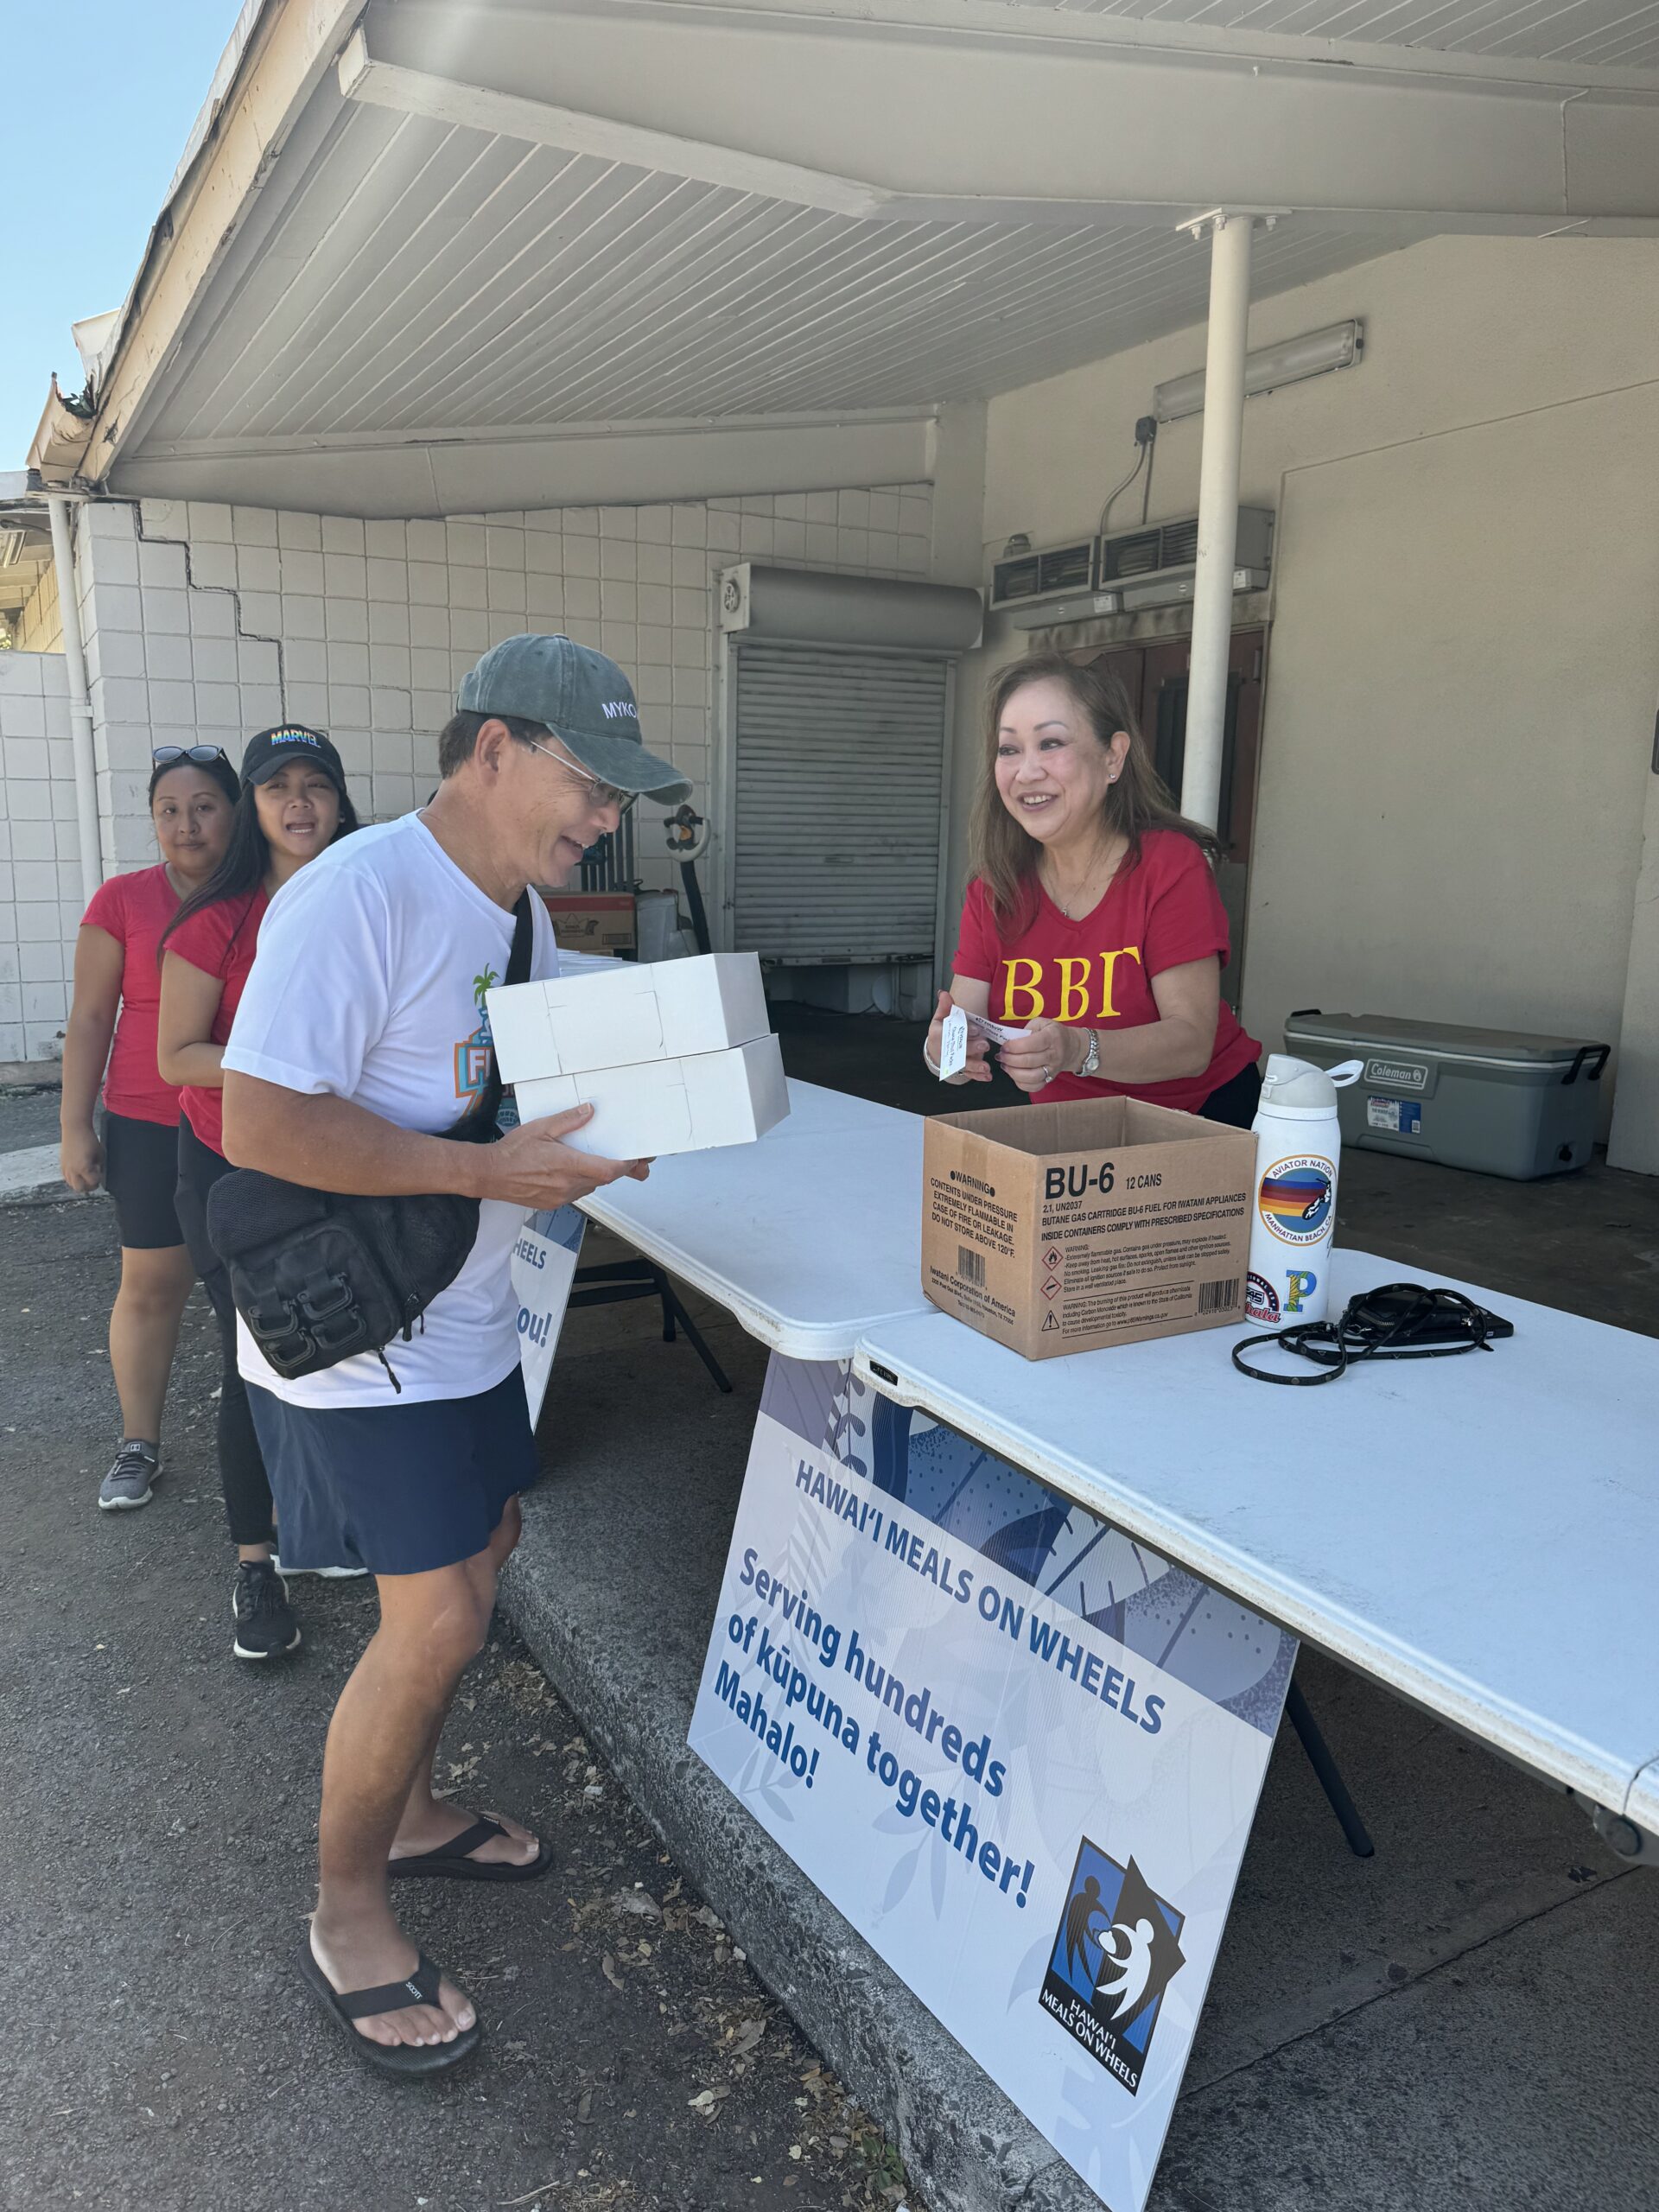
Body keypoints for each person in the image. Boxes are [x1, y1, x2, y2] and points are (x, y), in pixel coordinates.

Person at [219, 636, 690, 2075]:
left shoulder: (523, 915)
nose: (604, 815)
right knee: (436, 1622)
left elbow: (490, 1101)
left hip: (469, 1320)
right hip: (363, 1339)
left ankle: (413, 1814)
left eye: (618, 795)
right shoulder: (358, 892)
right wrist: (481, 1177)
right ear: (490, 748)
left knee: (485, 1552)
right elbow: (257, 1121)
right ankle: (347, 1907)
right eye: (585, 780)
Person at [157, 727, 360, 1662]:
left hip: (338, 1161)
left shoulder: (367, 904)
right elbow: (177, 1054)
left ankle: (333, 1525)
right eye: (278, 786)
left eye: (317, 783)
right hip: (231, 1167)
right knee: (252, 1357)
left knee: (343, 1332)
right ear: (252, 807)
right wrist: (286, 1070)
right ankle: (255, 1563)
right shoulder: (214, 920)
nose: (300, 802)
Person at [927, 652, 1262, 1124]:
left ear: (1113, 756)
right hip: (1075, 1134)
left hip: (1202, 1118)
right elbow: (962, 1023)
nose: (1027, 771)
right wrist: (946, 1050)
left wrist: (1076, 1048)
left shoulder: (1168, 865)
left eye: (1051, 743)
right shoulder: (994, 888)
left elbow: (1191, 1042)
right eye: (1009, 749)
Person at [60, 746, 240, 1510]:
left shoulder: (267, 894)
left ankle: (282, 1451)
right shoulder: (123, 901)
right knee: (152, 1285)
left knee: (251, 1290)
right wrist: (75, 1124)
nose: (185, 824)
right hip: (145, 1120)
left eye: (203, 807)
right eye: (169, 810)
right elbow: (93, 1016)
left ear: (235, 813)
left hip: (244, 1121)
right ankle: (140, 1444)